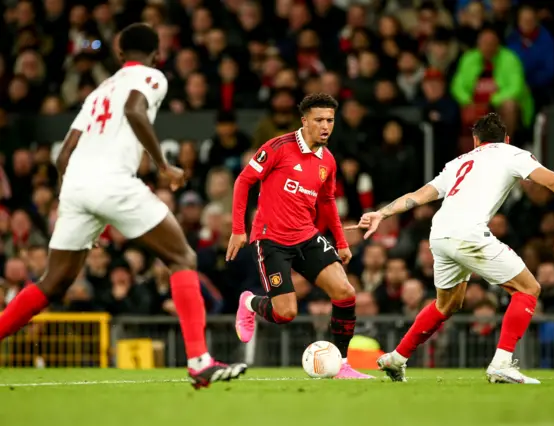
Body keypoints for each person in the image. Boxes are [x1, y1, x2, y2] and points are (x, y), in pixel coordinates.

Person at [0, 23, 247, 388]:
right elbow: (135, 110)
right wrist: (163, 165)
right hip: (112, 182)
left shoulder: (100, 89)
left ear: (118, 55)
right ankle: (199, 361)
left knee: (53, 282)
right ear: (157, 53)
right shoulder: (152, 76)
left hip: (76, 187)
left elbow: (63, 154)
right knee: (183, 258)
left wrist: (86, 211)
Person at [349, 113, 554, 384]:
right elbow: (553, 180)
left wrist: (382, 213)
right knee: (528, 289)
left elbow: (418, 196)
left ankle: (397, 357)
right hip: (468, 234)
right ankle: (501, 364)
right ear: (506, 138)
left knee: (447, 303)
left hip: (440, 234)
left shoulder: (458, 162)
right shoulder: (512, 153)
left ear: (475, 141)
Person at [228, 93, 373, 379]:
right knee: (286, 313)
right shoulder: (278, 147)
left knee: (345, 293)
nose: (325, 126)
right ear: (304, 120)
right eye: (319, 120)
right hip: (272, 240)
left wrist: (341, 242)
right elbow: (244, 181)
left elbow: (328, 201)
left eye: (330, 120)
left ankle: (342, 363)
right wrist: (237, 230)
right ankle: (249, 302)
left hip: (306, 236)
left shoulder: (328, 160)